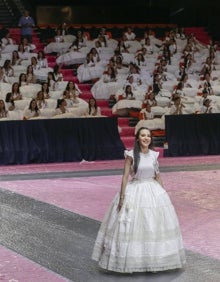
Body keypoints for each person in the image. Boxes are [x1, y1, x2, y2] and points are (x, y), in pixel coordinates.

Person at [92, 127, 186, 273]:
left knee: (152, 226)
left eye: (148, 136)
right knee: (134, 226)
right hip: (135, 190)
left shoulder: (154, 155)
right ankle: (134, 260)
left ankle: (153, 259)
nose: (146, 138)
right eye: (143, 135)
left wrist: (163, 194)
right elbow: (124, 177)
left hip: (153, 191)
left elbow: (157, 175)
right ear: (138, 138)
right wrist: (122, 197)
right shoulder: (131, 155)